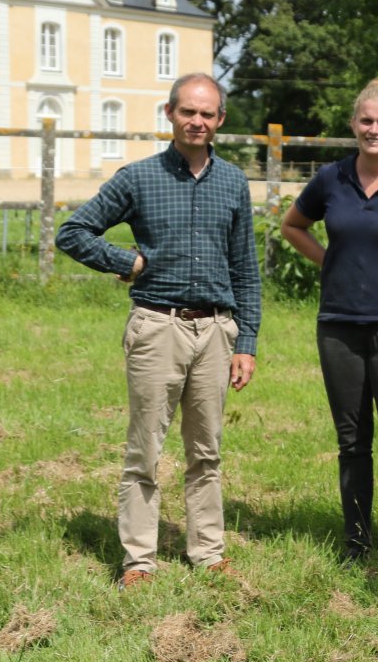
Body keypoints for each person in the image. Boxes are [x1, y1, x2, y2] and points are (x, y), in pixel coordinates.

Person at [56, 72, 259, 589]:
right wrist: (125, 261)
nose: (197, 121)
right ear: (169, 113)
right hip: (157, 327)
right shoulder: (138, 178)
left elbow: (245, 269)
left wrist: (247, 342)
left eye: (207, 113)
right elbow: (73, 232)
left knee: (206, 450)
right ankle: (139, 560)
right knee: (145, 449)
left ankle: (208, 551)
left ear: (220, 120)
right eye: (188, 111)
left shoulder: (233, 182)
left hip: (215, 331)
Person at [280, 79, 378, 562]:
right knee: (352, 442)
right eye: (366, 121)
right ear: (353, 124)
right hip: (338, 326)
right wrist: (329, 260)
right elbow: (293, 225)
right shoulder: (331, 179)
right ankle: (357, 541)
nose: (374, 129)